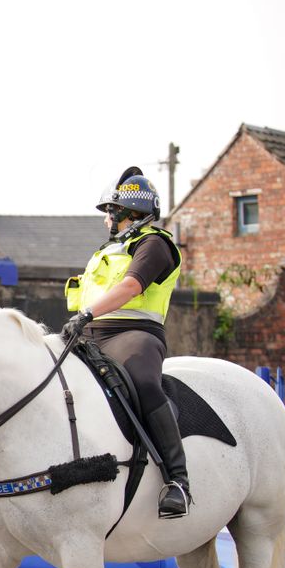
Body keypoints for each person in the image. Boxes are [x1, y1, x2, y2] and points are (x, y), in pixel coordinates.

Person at [62, 168, 188, 519]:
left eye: (110, 212)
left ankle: (177, 480)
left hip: (133, 334)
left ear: (127, 214)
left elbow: (131, 287)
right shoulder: (105, 252)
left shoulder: (155, 243)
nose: (106, 220)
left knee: (144, 383)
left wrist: (87, 313)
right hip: (88, 334)